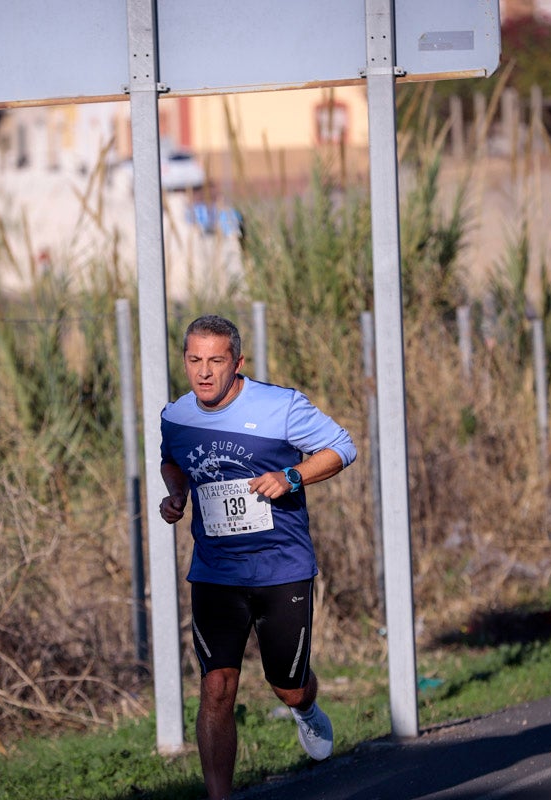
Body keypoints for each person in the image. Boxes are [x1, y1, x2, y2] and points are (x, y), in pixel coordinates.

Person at [159, 314, 356, 800]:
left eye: (216, 361)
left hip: (280, 568)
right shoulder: (176, 415)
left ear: (237, 362)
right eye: (194, 360)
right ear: (185, 360)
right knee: (217, 689)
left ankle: (305, 710)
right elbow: (172, 460)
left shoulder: (280, 405)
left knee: (286, 685)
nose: (204, 372)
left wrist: (292, 477)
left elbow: (341, 447)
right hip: (215, 573)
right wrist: (175, 496)